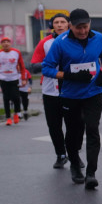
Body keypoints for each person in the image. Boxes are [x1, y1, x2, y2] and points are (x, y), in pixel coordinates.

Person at [40, 8, 102, 190]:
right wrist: (68, 75)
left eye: (85, 27)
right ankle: (74, 164)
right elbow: (47, 68)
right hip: (70, 95)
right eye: (78, 27)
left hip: (94, 92)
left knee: (93, 129)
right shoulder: (60, 43)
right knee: (74, 133)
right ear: (70, 26)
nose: (83, 31)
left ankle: (91, 174)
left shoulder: (98, 38)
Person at [31, 14, 73, 167]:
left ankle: (74, 154)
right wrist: (50, 65)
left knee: (73, 125)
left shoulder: (75, 40)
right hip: (50, 91)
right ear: (52, 25)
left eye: (63, 22)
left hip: (71, 91)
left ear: (69, 24)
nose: (60, 25)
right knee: (54, 126)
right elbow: (34, 65)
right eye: (56, 22)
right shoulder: (45, 42)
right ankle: (61, 154)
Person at [0, 36, 26, 126]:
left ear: (10, 43)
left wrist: (23, 79)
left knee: (16, 97)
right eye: (3, 42)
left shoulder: (16, 52)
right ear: (1, 44)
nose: (6, 43)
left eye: (7, 42)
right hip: (3, 78)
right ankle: (8, 118)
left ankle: (16, 113)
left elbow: (22, 67)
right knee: (6, 98)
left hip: (14, 78)